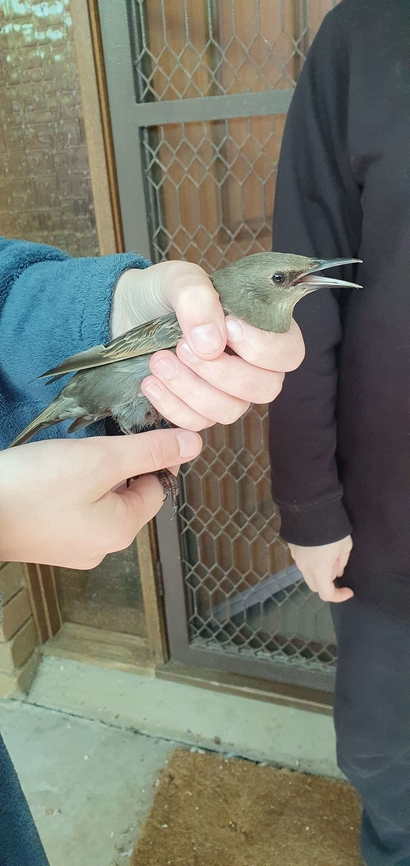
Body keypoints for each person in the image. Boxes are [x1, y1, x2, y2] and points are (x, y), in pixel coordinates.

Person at [0, 235, 305, 865]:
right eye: (290, 278)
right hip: (94, 385)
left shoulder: (226, 313)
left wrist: (108, 300)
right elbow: (118, 357)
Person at [269, 1, 410, 864]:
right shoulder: (364, 32)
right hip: (390, 528)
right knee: (383, 758)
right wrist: (311, 504)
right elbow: (301, 289)